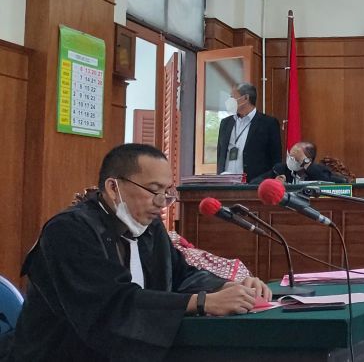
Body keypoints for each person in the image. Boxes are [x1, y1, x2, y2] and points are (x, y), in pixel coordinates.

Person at [10, 144, 271, 360]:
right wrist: (203, 302)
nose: (161, 203)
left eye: (166, 193)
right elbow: (111, 305)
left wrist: (226, 287)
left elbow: (181, 275)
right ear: (113, 188)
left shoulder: (149, 227)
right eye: (154, 190)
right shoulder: (69, 231)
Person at [216, 83, 282, 181]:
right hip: (226, 182)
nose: (229, 101)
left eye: (232, 97)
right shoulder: (225, 123)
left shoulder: (268, 123)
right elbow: (220, 154)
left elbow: (276, 158)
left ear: (246, 98)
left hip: (254, 183)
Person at [250, 141, 347, 184]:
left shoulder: (319, 171)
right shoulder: (281, 169)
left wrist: (304, 162)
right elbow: (254, 182)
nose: (291, 160)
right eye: (290, 156)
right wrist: (273, 182)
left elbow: (338, 182)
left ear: (308, 159)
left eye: (296, 158)